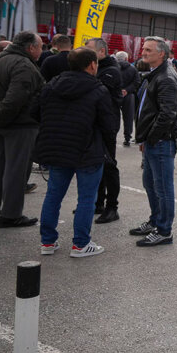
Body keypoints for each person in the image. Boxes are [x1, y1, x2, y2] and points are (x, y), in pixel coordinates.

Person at [34, 47, 117, 257]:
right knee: (86, 199)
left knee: (53, 195)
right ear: (92, 65)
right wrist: (108, 149)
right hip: (87, 150)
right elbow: (109, 126)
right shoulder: (98, 89)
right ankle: (80, 244)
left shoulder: (51, 86)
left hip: (57, 148)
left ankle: (47, 242)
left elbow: (35, 113)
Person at [130, 36, 177, 247]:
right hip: (152, 141)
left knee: (162, 188)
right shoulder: (155, 75)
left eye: (149, 50)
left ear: (162, 53)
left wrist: (151, 138)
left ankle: (164, 231)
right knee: (150, 184)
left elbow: (167, 114)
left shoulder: (167, 78)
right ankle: (155, 221)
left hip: (161, 142)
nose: (144, 52)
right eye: (144, 48)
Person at [0, 32, 45, 227]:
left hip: (1, 122)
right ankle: (11, 215)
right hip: (18, 124)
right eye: (40, 46)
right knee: (16, 170)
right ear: (30, 47)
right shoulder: (22, 65)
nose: (41, 50)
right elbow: (16, 98)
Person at [85, 38, 123, 224]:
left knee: (109, 166)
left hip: (107, 124)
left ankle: (112, 207)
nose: (86, 52)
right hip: (94, 123)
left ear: (101, 52)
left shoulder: (111, 71)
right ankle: (98, 203)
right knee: (95, 163)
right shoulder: (96, 69)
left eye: (90, 49)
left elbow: (97, 94)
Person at [116, 51, 140, 146]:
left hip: (115, 95)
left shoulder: (113, 68)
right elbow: (137, 82)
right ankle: (127, 138)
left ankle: (112, 135)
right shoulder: (133, 69)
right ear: (126, 58)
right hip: (129, 95)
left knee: (114, 115)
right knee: (128, 117)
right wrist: (127, 90)